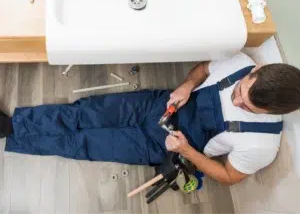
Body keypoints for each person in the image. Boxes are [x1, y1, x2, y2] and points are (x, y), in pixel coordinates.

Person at [1, 53, 300, 185]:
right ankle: (10, 126)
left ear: (272, 113)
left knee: (85, 142)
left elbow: (228, 177)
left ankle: (17, 137)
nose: (236, 101)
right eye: (239, 91)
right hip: (157, 105)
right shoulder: (241, 64)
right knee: (83, 112)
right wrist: (186, 86)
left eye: (245, 107)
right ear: (256, 70)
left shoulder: (263, 145)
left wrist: (187, 152)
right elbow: (203, 70)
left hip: (163, 145)